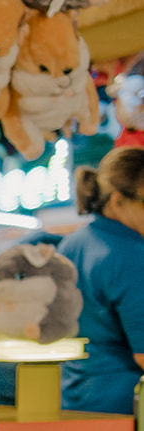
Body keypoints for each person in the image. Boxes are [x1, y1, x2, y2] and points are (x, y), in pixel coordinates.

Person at [59, 148, 144, 415]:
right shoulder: (131, 256)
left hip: (70, 395)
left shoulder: (71, 244)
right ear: (118, 201)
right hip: (123, 405)